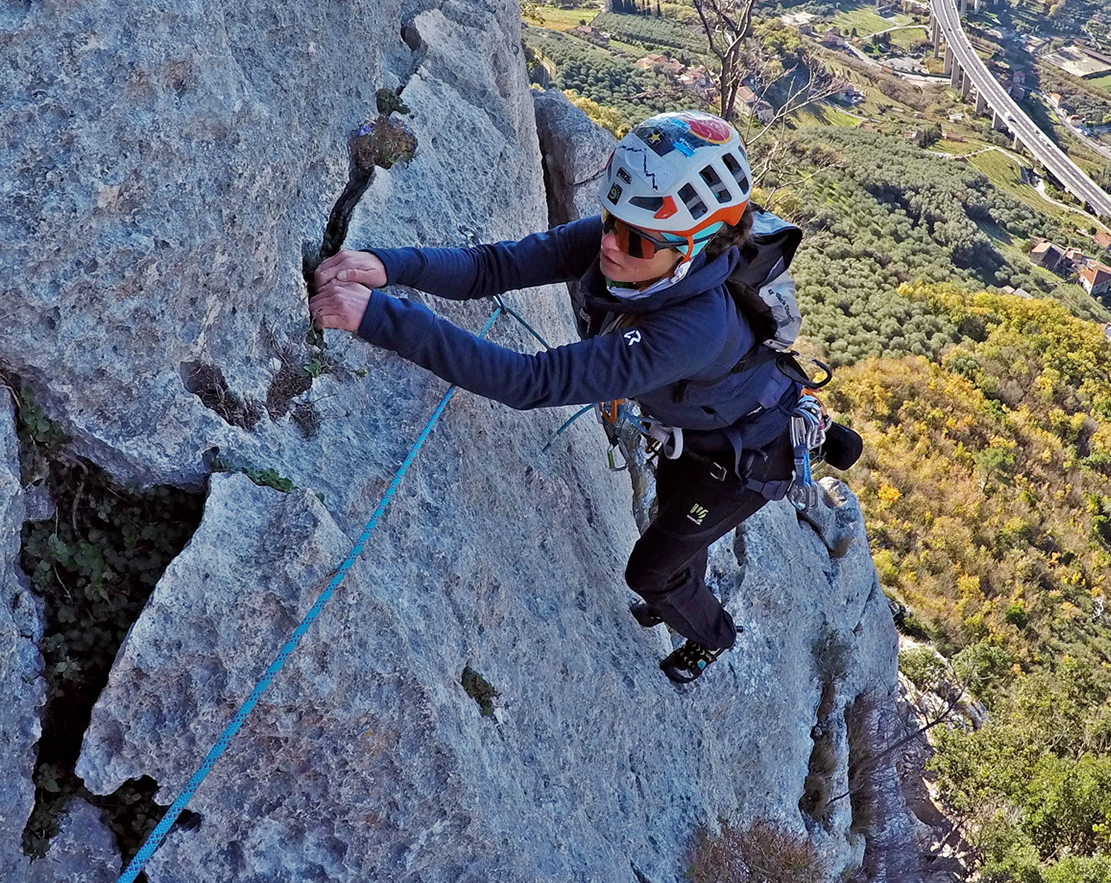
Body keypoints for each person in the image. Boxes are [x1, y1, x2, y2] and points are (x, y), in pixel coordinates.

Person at [309, 111, 806, 685]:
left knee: (650, 572)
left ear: (692, 249)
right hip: (695, 429)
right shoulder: (638, 242)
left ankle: (711, 636)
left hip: (744, 459)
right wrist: (389, 266)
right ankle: (680, 584)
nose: (611, 245)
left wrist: (381, 319)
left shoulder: (694, 328)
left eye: (635, 239)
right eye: (610, 221)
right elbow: (495, 266)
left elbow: (532, 381)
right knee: (676, 539)